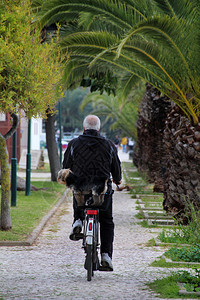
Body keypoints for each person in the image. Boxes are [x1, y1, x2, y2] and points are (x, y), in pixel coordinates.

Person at [62, 115, 122, 271]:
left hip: (81, 189)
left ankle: (78, 221)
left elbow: (66, 166)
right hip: (101, 191)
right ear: (99, 129)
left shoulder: (74, 144)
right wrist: (117, 179)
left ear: (83, 128)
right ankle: (106, 256)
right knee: (107, 221)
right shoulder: (109, 145)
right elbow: (116, 167)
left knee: (77, 189)